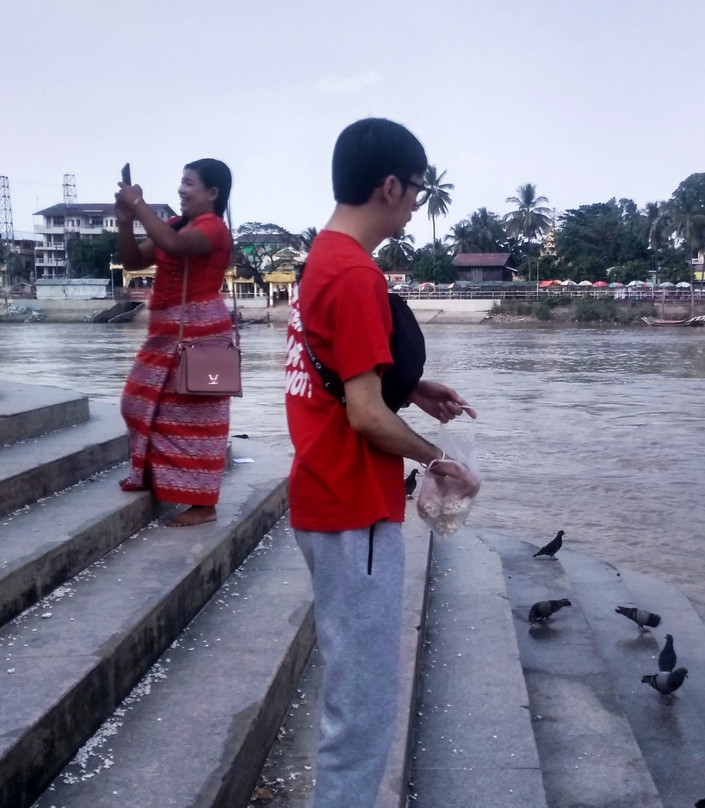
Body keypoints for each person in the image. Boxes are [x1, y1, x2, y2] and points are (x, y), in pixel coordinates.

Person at [284, 118, 477, 807]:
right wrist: (437, 459)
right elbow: (365, 416)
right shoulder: (357, 275)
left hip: (320, 494)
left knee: (352, 693)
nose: (415, 204)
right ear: (390, 185)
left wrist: (412, 390)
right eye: (417, 190)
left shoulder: (321, 260)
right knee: (361, 707)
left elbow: (342, 380)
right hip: (353, 508)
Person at [114, 159, 234, 527]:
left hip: (202, 330)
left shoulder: (213, 229)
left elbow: (174, 246)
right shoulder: (176, 224)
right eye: (181, 182)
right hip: (167, 329)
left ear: (211, 193)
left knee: (198, 417)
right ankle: (157, 476)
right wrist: (124, 219)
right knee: (137, 402)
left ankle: (203, 503)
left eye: (189, 183)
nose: (181, 190)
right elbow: (133, 260)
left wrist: (138, 205)